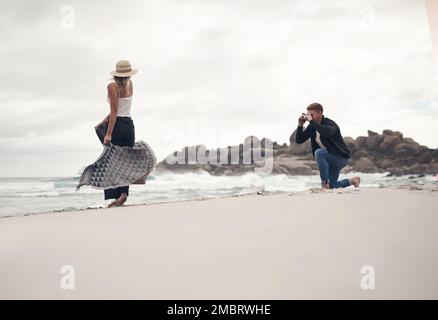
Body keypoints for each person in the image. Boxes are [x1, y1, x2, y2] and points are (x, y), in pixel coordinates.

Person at [94, 60, 137, 207]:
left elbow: (114, 111)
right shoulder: (130, 85)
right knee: (125, 163)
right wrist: (103, 121)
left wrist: (108, 134)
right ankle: (123, 194)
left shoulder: (112, 86)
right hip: (129, 125)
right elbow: (121, 109)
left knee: (112, 162)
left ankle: (117, 195)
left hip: (117, 126)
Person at [295, 102, 360, 189]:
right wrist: (300, 125)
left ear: (320, 113)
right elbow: (299, 140)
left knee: (319, 153)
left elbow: (326, 132)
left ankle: (324, 183)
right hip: (330, 157)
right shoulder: (312, 126)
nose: (310, 117)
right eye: (308, 114)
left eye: (311, 114)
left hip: (341, 157)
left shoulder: (330, 124)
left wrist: (311, 121)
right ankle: (352, 181)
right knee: (332, 186)